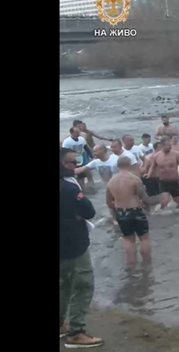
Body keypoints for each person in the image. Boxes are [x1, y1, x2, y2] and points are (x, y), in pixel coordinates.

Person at [60, 148, 103, 348]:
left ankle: (60, 324)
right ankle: (76, 332)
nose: (75, 166)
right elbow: (89, 211)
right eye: (70, 162)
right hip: (73, 245)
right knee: (83, 284)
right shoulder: (68, 189)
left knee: (63, 285)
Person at [107, 156, 155, 267]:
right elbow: (145, 198)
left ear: (117, 166)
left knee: (128, 240)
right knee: (144, 238)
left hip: (121, 213)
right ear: (129, 165)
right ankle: (147, 264)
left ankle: (132, 266)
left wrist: (116, 213)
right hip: (136, 211)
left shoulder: (111, 182)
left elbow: (109, 202)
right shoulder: (134, 179)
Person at [146, 140, 179, 210]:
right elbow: (152, 167)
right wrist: (148, 175)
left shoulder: (176, 154)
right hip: (163, 182)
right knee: (164, 201)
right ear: (162, 146)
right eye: (168, 145)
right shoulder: (156, 156)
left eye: (170, 145)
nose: (170, 147)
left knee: (178, 202)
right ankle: (161, 217)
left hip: (174, 181)